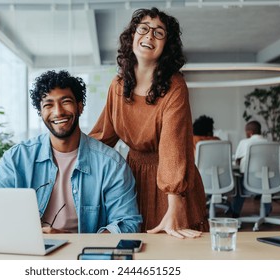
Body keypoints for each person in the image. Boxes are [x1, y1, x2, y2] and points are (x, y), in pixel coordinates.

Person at [0, 70, 142, 246]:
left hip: (81, 256)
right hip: (26, 252)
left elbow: (128, 223)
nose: (58, 111)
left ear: (80, 107)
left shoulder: (111, 164)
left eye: (66, 101)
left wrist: (72, 240)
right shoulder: (18, 157)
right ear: (41, 111)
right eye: (48, 104)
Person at [89, 7, 208, 239]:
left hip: (171, 183)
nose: (149, 36)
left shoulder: (175, 86)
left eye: (159, 32)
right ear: (132, 35)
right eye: (143, 28)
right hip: (132, 178)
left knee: (175, 249)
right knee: (136, 248)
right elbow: (103, 137)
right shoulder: (118, 85)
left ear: (167, 45)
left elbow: (172, 147)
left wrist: (175, 203)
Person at [231, 120, 270, 218]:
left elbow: (237, 161)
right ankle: (267, 211)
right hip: (267, 181)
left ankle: (235, 212)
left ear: (250, 132)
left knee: (238, 183)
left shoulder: (244, 142)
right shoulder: (268, 142)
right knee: (266, 187)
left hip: (249, 181)